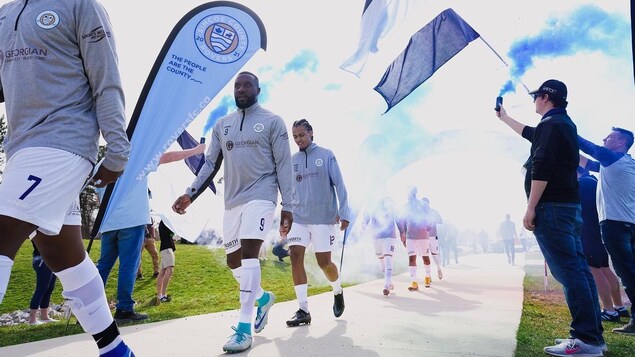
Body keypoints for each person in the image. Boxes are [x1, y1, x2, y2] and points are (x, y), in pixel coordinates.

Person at [0, 1, 136, 355]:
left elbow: (106, 78)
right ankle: (117, 351)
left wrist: (117, 150)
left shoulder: (80, 5)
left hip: (64, 143)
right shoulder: (4, 13)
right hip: (20, 149)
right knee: (64, 254)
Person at [172, 71, 293, 353]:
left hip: (262, 196)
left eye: (247, 84)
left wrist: (288, 205)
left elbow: (285, 165)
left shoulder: (272, 122)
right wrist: (190, 194)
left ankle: (243, 329)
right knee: (233, 262)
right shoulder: (222, 125)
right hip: (232, 201)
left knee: (250, 254)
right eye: (237, 85)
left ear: (258, 89)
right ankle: (262, 299)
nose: (241, 89)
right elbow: (209, 164)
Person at [496, 79, 605, 356]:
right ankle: (591, 336)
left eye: (536, 97)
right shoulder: (562, 124)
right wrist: (505, 118)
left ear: (545, 97)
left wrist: (531, 207)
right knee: (578, 270)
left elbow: (541, 166)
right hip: (567, 207)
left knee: (570, 272)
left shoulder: (551, 125)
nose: (534, 101)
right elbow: (533, 134)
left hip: (552, 208)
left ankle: (586, 340)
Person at [97, 144, 205, 324]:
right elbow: (168, 157)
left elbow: (98, 191)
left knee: (104, 266)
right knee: (128, 266)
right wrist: (194, 151)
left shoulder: (102, 162)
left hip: (108, 223)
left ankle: (91, 309)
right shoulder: (135, 160)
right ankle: (124, 308)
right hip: (131, 222)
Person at [282, 119, 350, 326]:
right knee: (295, 257)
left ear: (311, 133)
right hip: (299, 218)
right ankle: (303, 310)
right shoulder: (291, 160)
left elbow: (339, 184)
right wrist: (285, 216)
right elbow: (287, 190)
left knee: (324, 263)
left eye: (301, 135)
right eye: (295, 136)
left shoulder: (326, 155)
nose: (298, 139)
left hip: (323, 218)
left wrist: (344, 212)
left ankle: (337, 290)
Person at [578, 126, 635, 335]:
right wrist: (564, 147)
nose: (604, 138)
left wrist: (560, 127)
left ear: (621, 142)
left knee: (627, 274)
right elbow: (588, 162)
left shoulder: (613, 158)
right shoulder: (623, 163)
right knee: (630, 272)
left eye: (609, 136)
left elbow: (587, 146)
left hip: (615, 225)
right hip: (629, 224)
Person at [577, 167, 627, 322]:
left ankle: (608, 309)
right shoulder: (594, 181)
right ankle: (618, 306)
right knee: (605, 269)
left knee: (594, 270)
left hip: (588, 231)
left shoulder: (582, 184)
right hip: (599, 230)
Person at [397, 187, 434, 290]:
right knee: (411, 258)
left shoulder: (422, 205)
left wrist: (429, 224)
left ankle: (427, 276)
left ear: (415, 193)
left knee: (425, 257)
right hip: (410, 236)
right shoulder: (405, 207)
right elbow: (401, 221)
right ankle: (414, 282)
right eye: (408, 193)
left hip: (423, 236)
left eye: (411, 193)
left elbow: (429, 216)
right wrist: (402, 233)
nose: (409, 195)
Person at [362, 197, 398, 296]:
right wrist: (364, 224)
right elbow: (366, 215)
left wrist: (402, 231)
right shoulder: (371, 202)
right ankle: (389, 282)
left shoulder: (390, 202)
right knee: (381, 259)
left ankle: (386, 285)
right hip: (376, 236)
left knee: (388, 258)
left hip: (389, 235)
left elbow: (398, 217)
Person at [28, 241, 58, 325]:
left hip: (51, 260)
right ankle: (32, 319)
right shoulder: (39, 230)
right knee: (41, 288)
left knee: (49, 288)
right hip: (42, 259)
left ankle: (44, 317)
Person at [422, 198, 443, 279]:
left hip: (433, 236)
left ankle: (438, 268)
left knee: (435, 255)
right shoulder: (419, 214)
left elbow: (441, 221)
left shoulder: (433, 212)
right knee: (425, 256)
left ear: (428, 203)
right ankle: (428, 275)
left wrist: (434, 219)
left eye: (425, 203)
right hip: (423, 237)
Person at [156, 220, 176, 303]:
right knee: (169, 271)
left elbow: (170, 234)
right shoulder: (165, 221)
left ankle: (159, 295)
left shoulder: (163, 222)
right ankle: (163, 295)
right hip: (167, 249)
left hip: (165, 249)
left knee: (162, 272)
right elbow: (172, 232)